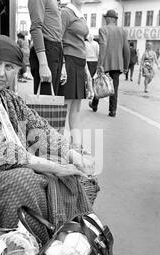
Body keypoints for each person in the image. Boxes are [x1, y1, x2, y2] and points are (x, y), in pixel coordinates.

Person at [0, 35, 96, 244]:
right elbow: (1, 151)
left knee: (74, 171)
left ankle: (67, 237)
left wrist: (70, 153)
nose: (2, 73)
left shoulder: (8, 97)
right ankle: (40, 245)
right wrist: (54, 168)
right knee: (28, 180)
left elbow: (39, 127)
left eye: (10, 67)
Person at [58, 0, 92, 149]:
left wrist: (86, 70)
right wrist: (63, 64)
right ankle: (60, 145)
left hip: (79, 62)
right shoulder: (66, 12)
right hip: (69, 60)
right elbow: (57, 38)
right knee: (65, 107)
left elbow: (81, 44)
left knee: (76, 107)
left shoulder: (80, 15)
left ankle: (76, 145)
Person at [92, 9, 130, 117]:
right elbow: (126, 49)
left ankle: (94, 104)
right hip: (118, 64)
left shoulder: (103, 29)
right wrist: (126, 65)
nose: (105, 20)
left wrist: (100, 64)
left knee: (100, 83)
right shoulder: (122, 31)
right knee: (114, 87)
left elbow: (103, 46)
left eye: (105, 18)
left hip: (106, 63)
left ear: (109, 18)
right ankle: (112, 111)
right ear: (115, 19)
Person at [28, 0, 64, 95]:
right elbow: (35, 28)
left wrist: (62, 63)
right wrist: (43, 64)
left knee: (52, 99)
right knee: (45, 98)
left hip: (56, 48)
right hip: (47, 48)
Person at [85, 33, 100, 111]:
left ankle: (90, 93)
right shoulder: (96, 44)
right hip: (94, 61)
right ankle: (92, 92)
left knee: (89, 78)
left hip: (87, 61)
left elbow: (84, 53)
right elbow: (98, 53)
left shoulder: (85, 43)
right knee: (93, 78)